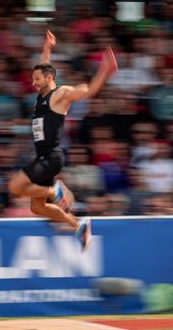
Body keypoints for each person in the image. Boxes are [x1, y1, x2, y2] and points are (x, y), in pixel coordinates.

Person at [8, 30, 118, 250]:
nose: (33, 82)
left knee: (15, 187)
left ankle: (55, 192)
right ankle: (79, 225)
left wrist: (105, 71)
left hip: (52, 157)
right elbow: (43, 66)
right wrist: (47, 49)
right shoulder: (42, 95)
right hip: (44, 157)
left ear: (50, 79)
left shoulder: (61, 94)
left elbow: (88, 91)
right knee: (37, 209)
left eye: (36, 79)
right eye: (33, 78)